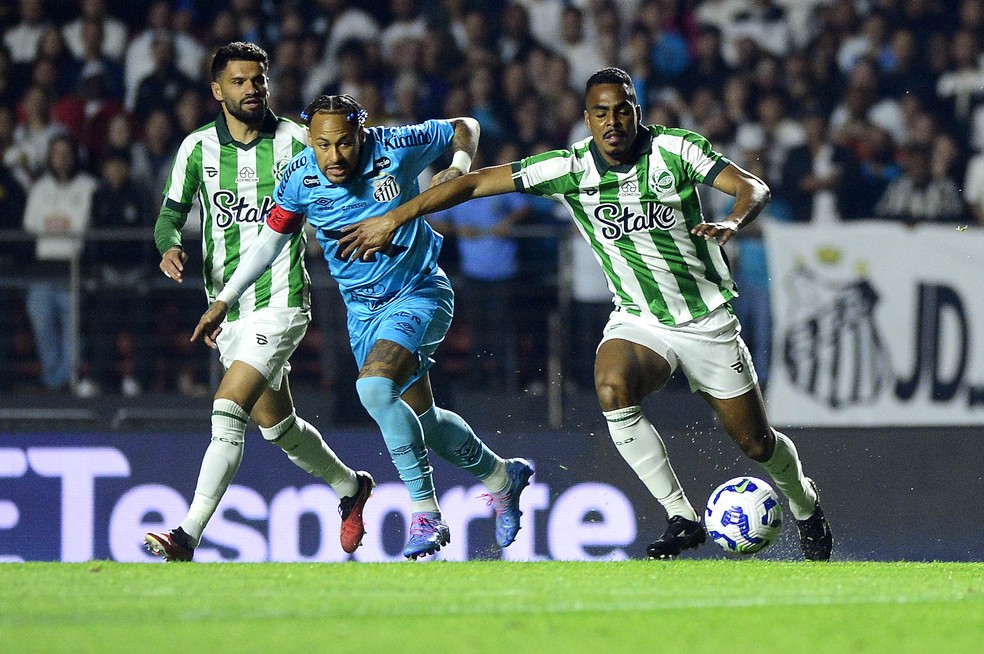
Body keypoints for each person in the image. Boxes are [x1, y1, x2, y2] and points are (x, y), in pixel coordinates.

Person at [338, 67, 834, 562]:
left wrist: (732, 220)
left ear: (636, 112)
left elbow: (753, 187)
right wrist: (394, 217)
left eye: (621, 111)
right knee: (612, 387)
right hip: (639, 319)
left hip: (706, 320)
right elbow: (475, 185)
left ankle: (805, 504)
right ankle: (680, 516)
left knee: (756, 443)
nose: (612, 122)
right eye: (601, 113)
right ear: (587, 118)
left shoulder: (675, 149)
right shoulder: (570, 168)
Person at [192, 94, 534, 560]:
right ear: (309, 140)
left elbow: (465, 125)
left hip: (418, 292)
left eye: (345, 143)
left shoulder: (396, 146)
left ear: (362, 133)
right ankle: (501, 477)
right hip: (363, 314)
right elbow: (269, 242)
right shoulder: (297, 178)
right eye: (323, 145)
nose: (334, 156)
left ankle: (425, 512)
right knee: (424, 421)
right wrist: (224, 300)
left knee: (374, 389)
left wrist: (456, 166)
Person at [144, 42, 373, 563]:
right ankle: (351, 486)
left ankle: (186, 536)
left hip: (281, 299)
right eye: (240, 82)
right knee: (278, 428)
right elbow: (169, 215)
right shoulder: (196, 148)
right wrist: (168, 246)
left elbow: (345, 179)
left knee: (228, 409)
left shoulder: (296, 140)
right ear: (217, 90)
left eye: (258, 80)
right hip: (227, 311)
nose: (251, 89)